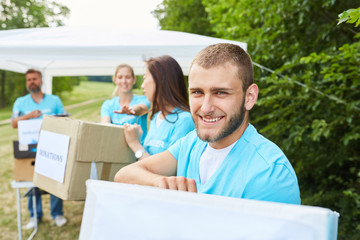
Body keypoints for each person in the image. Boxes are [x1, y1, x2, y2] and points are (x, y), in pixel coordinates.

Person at [114, 44, 301, 205]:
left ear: (249, 97)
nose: (205, 107)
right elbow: (123, 175)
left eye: (220, 93)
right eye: (197, 92)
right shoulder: (191, 143)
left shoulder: (270, 174)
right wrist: (160, 183)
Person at [11, 69, 67, 229]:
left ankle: (57, 214)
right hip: (30, 149)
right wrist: (29, 116)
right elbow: (14, 123)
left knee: (55, 179)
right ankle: (35, 215)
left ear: (41, 81)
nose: (31, 82)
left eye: (34, 79)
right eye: (28, 80)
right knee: (32, 180)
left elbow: (65, 119)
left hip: (52, 146)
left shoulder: (54, 100)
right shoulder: (21, 102)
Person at [122, 55, 195, 160]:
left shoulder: (184, 121)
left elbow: (166, 171)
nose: (142, 86)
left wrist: (134, 144)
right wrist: (138, 139)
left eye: (144, 78)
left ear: (160, 80)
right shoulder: (156, 117)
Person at [101, 64, 150, 143]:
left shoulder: (144, 99)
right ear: (115, 80)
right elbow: (105, 126)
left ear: (134, 79)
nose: (124, 81)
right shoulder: (108, 105)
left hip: (139, 151)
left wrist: (131, 110)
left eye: (127, 77)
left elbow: (141, 108)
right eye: (120, 77)